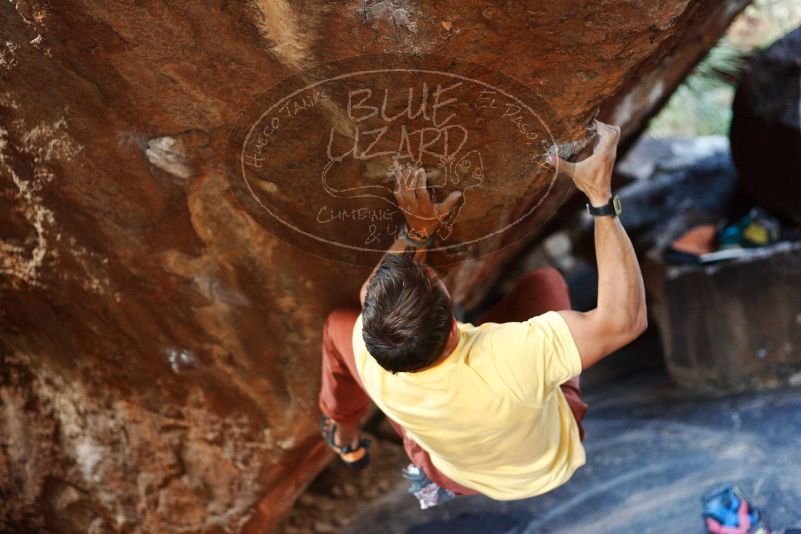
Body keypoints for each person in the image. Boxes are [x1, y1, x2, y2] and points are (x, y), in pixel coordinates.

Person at [318, 120, 647, 507]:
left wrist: (415, 234)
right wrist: (600, 197)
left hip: (454, 472)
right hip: (547, 461)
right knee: (544, 284)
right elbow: (623, 321)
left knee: (334, 327)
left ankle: (344, 435)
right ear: (455, 328)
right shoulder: (512, 355)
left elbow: (370, 291)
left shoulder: (371, 357)